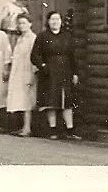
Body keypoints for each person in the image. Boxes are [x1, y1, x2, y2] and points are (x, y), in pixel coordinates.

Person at [30, 10, 81, 140]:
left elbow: (73, 56)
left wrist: (75, 73)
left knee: (66, 101)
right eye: (52, 19)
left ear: (61, 21)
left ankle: (70, 130)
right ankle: (52, 130)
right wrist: (43, 66)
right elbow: (34, 55)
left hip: (65, 71)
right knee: (51, 101)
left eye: (57, 19)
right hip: (49, 73)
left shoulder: (67, 36)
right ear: (48, 22)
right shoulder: (42, 36)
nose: (55, 22)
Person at [6, 12, 38, 136]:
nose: (21, 25)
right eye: (19, 23)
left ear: (30, 24)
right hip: (18, 71)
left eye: (24, 23)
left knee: (27, 100)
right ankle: (22, 126)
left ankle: (27, 128)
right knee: (19, 99)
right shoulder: (20, 39)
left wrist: (33, 74)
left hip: (28, 70)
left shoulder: (32, 38)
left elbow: (35, 57)